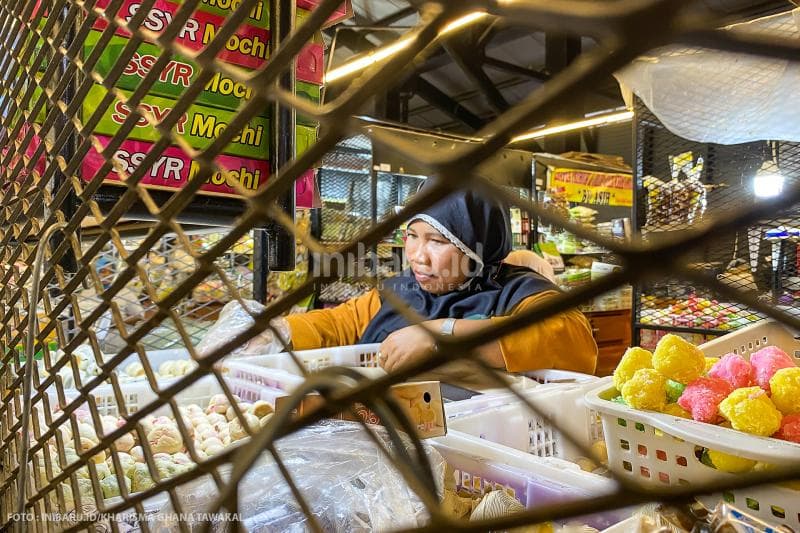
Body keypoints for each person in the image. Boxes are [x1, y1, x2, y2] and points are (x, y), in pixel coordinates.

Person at [285, 188, 598, 376]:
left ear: (477, 245)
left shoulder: (518, 292)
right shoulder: (402, 290)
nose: (418, 256)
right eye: (411, 236)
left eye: (436, 241)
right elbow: (340, 323)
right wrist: (279, 332)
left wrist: (440, 334)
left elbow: (568, 337)